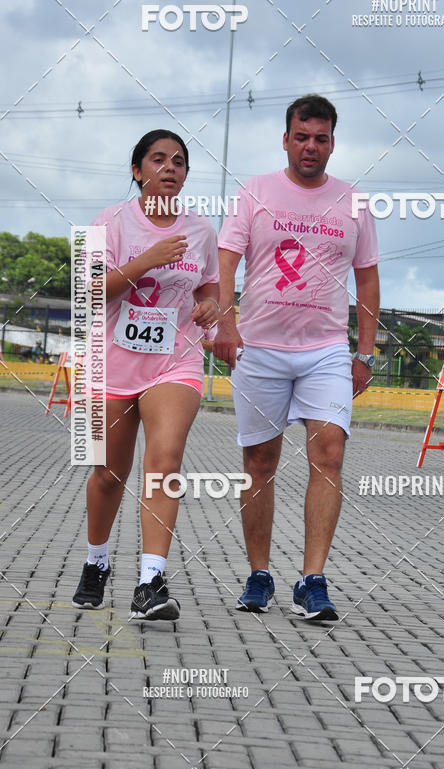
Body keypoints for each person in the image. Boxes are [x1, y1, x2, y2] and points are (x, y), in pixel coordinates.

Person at [213, 94, 379, 621]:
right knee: (259, 462)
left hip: (326, 351)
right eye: (301, 136)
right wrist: (225, 323)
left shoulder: (353, 202)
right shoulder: (254, 192)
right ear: (285, 139)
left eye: (321, 138)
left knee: (329, 455)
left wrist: (366, 353)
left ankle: (313, 580)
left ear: (333, 142)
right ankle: (259, 575)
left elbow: (367, 276)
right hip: (260, 350)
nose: (311, 146)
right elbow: (225, 261)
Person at [72, 129, 219, 620]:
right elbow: (88, 292)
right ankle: (97, 561)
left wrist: (209, 309)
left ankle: (150, 583)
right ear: (137, 171)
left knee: (165, 460)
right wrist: (146, 260)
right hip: (108, 363)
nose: (169, 168)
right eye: (158, 159)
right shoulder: (108, 222)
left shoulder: (201, 231)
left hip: (175, 360)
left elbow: (210, 291)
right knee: (109, 474)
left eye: (179, 161)